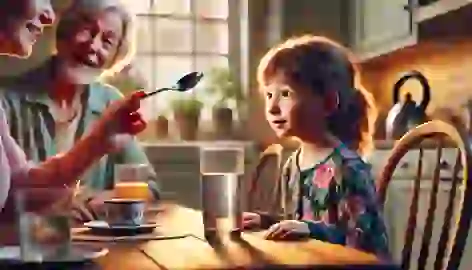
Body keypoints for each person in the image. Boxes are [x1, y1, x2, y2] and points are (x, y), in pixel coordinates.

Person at [1, 0, 159, 218]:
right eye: (87, 29)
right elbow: (13, 192)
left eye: (107, 41)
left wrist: (101, 203)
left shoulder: (111, 103)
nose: (93, 46)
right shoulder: (6, 99)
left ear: (114, 59)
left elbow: (147, 186)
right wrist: (59, 204)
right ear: (65, 31)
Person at [242, 35, 389, 257]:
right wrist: (266, 221)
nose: (272, 107)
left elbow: (362, 240)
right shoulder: (293, 164)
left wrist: (311, 230)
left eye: (285, 94)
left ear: (328, 102)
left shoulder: (348, 169)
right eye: (269, 95)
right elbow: (297, 221)